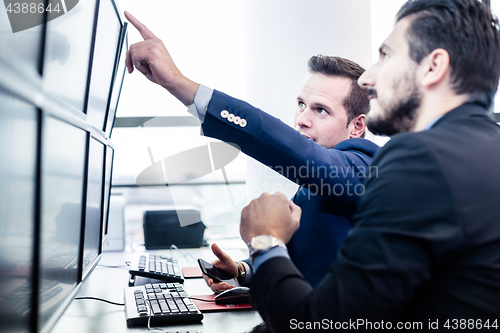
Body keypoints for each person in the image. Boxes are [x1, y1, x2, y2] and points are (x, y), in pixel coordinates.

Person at [238, 0, 500, 331]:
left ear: (433, 66)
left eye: (386, 56)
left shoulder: (419, 159)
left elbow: (320, 324)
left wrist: (265, 241)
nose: (369, 78)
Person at [123, 12, 378, 289]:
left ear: (356, 126)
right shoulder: (314, 184)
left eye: (321, 110)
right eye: (302, 104)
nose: (302, 118)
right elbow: (303, 267)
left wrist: (179, 83)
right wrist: (242, 271)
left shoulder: (365, 168)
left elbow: (296, 150)